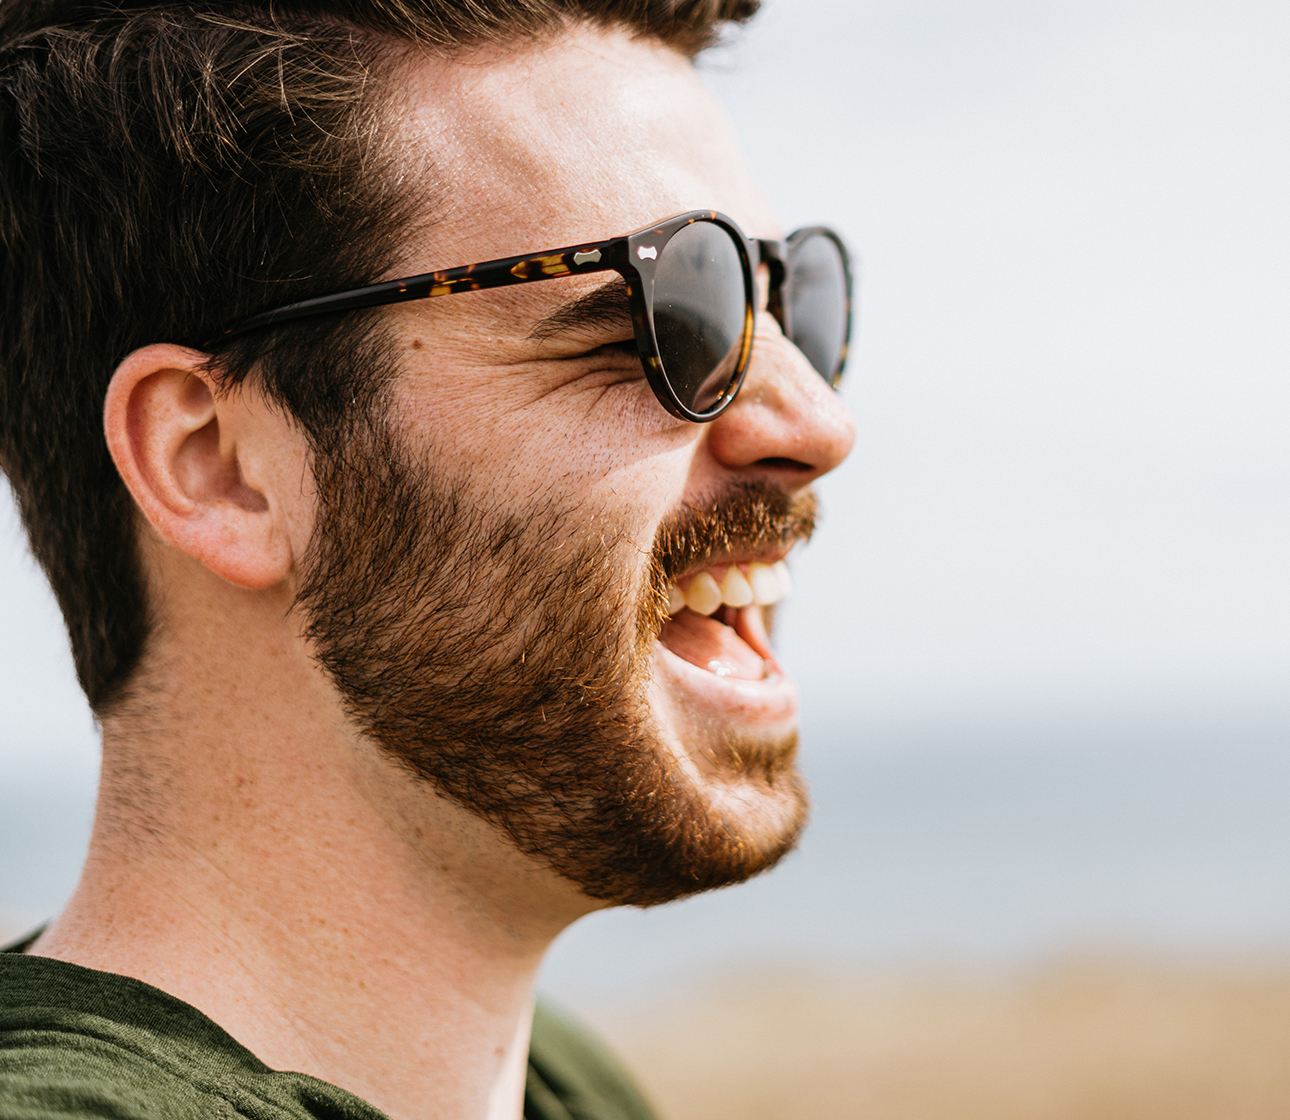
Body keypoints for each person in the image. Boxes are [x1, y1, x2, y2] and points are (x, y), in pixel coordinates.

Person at [0, 0, 855, 1117]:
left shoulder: (566, 1084)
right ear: (218, 463)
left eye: (790, 303)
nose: (815, 423)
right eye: (670, 317)